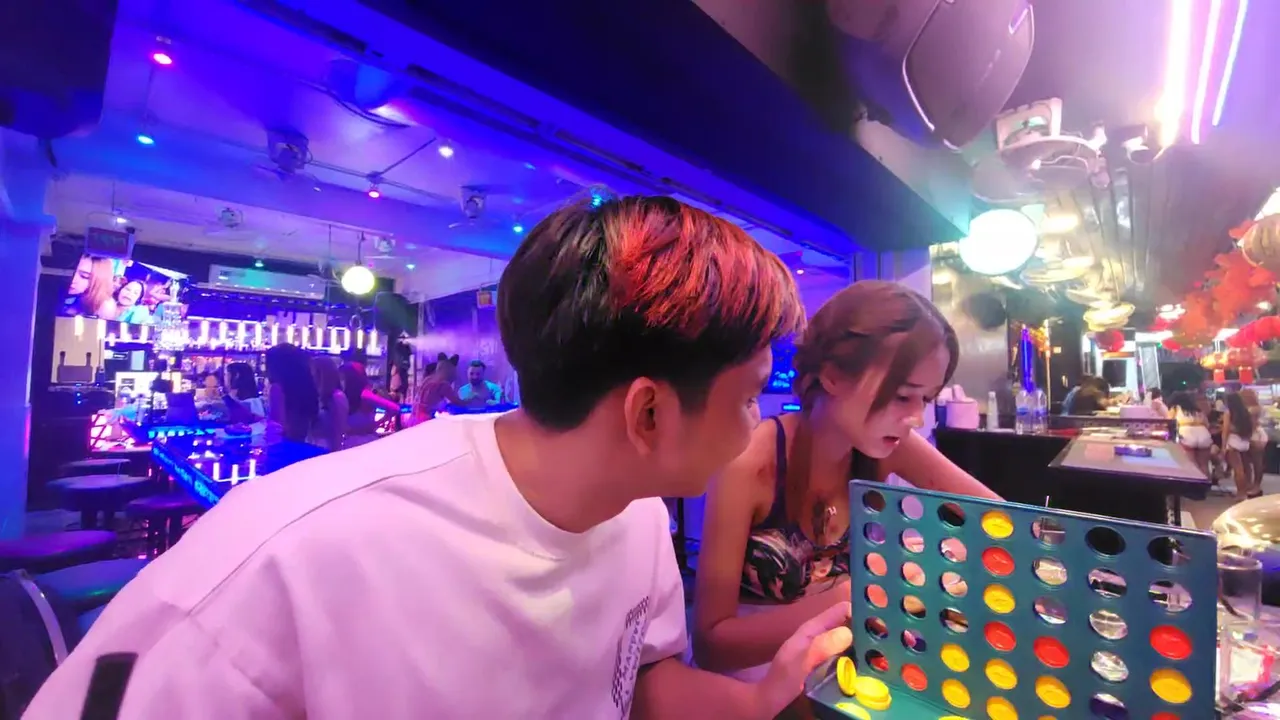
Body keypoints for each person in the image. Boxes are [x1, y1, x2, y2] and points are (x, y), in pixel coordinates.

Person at [26, 195, 851, 719]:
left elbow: (640, 681)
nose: (759, 422)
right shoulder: (287, 553)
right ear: (648, 413)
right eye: (751, 395)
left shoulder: (635, 513)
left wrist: (766, 701)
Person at [691, 280, 999, 683]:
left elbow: (999, 519)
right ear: (832, 375)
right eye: (902, 396)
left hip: (848, 662)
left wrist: (933, 556)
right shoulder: (750, 463)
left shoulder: (890, 443)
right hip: (755, 681)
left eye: (925, 399)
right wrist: (853, 597)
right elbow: (712, 645)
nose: (916, 418)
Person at [264, 343, 320, 444]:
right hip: (304, 441)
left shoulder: (277, 388)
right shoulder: (307, 385)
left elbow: (277, 424)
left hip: (285, 443)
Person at [339, 361, 402, 448]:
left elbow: (395, 408)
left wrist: (375, 424)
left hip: (365, 441)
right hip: (350, 441)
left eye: (343, 377)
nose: (341, 380)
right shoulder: (345, 394)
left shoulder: (365, 394)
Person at [1224, 391, 1262, 499]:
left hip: (1233, 442)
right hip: (1244, 443)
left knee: (1238, 470)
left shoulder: (1229, 413)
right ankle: (1247, 488)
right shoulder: (1245, 412)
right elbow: (1251, 427)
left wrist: (1223, 446)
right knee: (1246, 467)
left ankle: (1241, 493)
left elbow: (1225, 430)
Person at [309, 356, 349, 451]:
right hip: (313, 446)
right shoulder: (317, 395)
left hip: (326, 448)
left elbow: (338, 431)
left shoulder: (337, 397)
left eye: (313, 371)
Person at [1171, 391, 1213, 480]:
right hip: (1203, 435)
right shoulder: (1198, 410)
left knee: (1192, 464)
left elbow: (1169, 422)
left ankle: (1196, 484)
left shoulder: (1175, 409)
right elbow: (1207, 424)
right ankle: (1206, 485)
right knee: (1204, 465)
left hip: (1186, 434)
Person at [66, 255, 119, 319]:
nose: (73, 279)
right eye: (71, 272)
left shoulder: (104, 306)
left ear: (99, 280)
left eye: (84, 276)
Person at [413, 352, 462, 421]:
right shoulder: (443, 384)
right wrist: (471, 402)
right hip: (425, 418)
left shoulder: (428, 379)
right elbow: (457, 402)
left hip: (415, 416)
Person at [1241, 388, 1269, 497]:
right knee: (1251, 461)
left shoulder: (1253, 409)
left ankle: (1255, 485)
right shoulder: (1257, 408)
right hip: (1256, 434)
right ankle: (1252, 485)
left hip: (1254, 435)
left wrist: (1246, 435)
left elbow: (1252, 424)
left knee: (1255, 461)